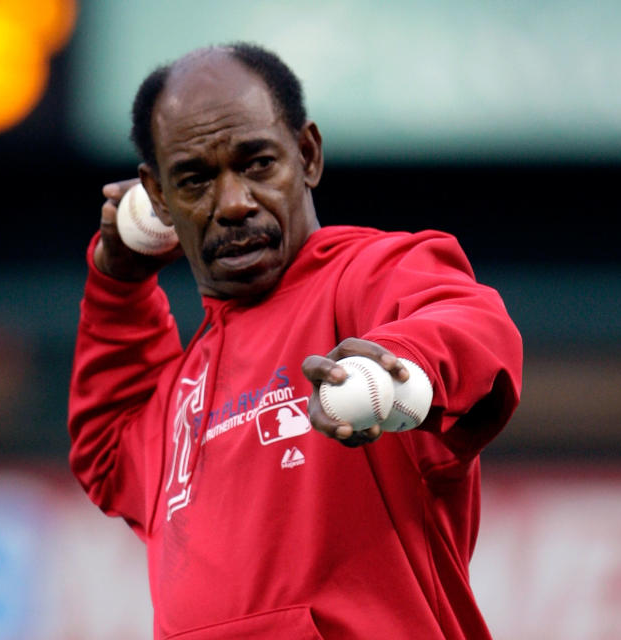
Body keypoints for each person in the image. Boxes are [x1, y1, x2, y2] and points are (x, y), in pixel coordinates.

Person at [68, 42, 523, 639]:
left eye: (257, 163)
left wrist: (400, 374)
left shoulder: (363, 277)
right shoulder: (182, 388)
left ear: (307, 155)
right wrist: (118, 281)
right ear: (157, 198)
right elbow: (107, 447)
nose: (232, 203)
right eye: (195, 179)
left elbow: (468, 320)